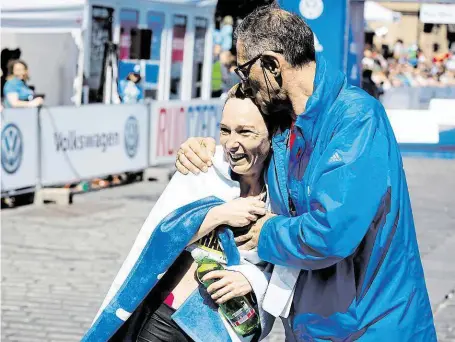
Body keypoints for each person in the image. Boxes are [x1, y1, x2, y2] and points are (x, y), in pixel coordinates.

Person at [175, 4, 436, 341]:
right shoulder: (283, 121)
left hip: (371, 326)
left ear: (270, 64)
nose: (243, 82)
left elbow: (331, 232)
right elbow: (242, 154)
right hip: (311, 327)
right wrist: (200, 149)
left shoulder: (356, 119)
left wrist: (266, 233)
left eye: (244, 71)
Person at [83, 93, 296, 342]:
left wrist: (252, 280)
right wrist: (217, 214)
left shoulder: (287, 193)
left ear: (273, 134)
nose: (231, 144)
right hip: (165, 315)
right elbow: (160, 240)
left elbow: (295, 265)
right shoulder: (204, 168)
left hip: (224, 329)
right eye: (225, 130)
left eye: (246, 132)